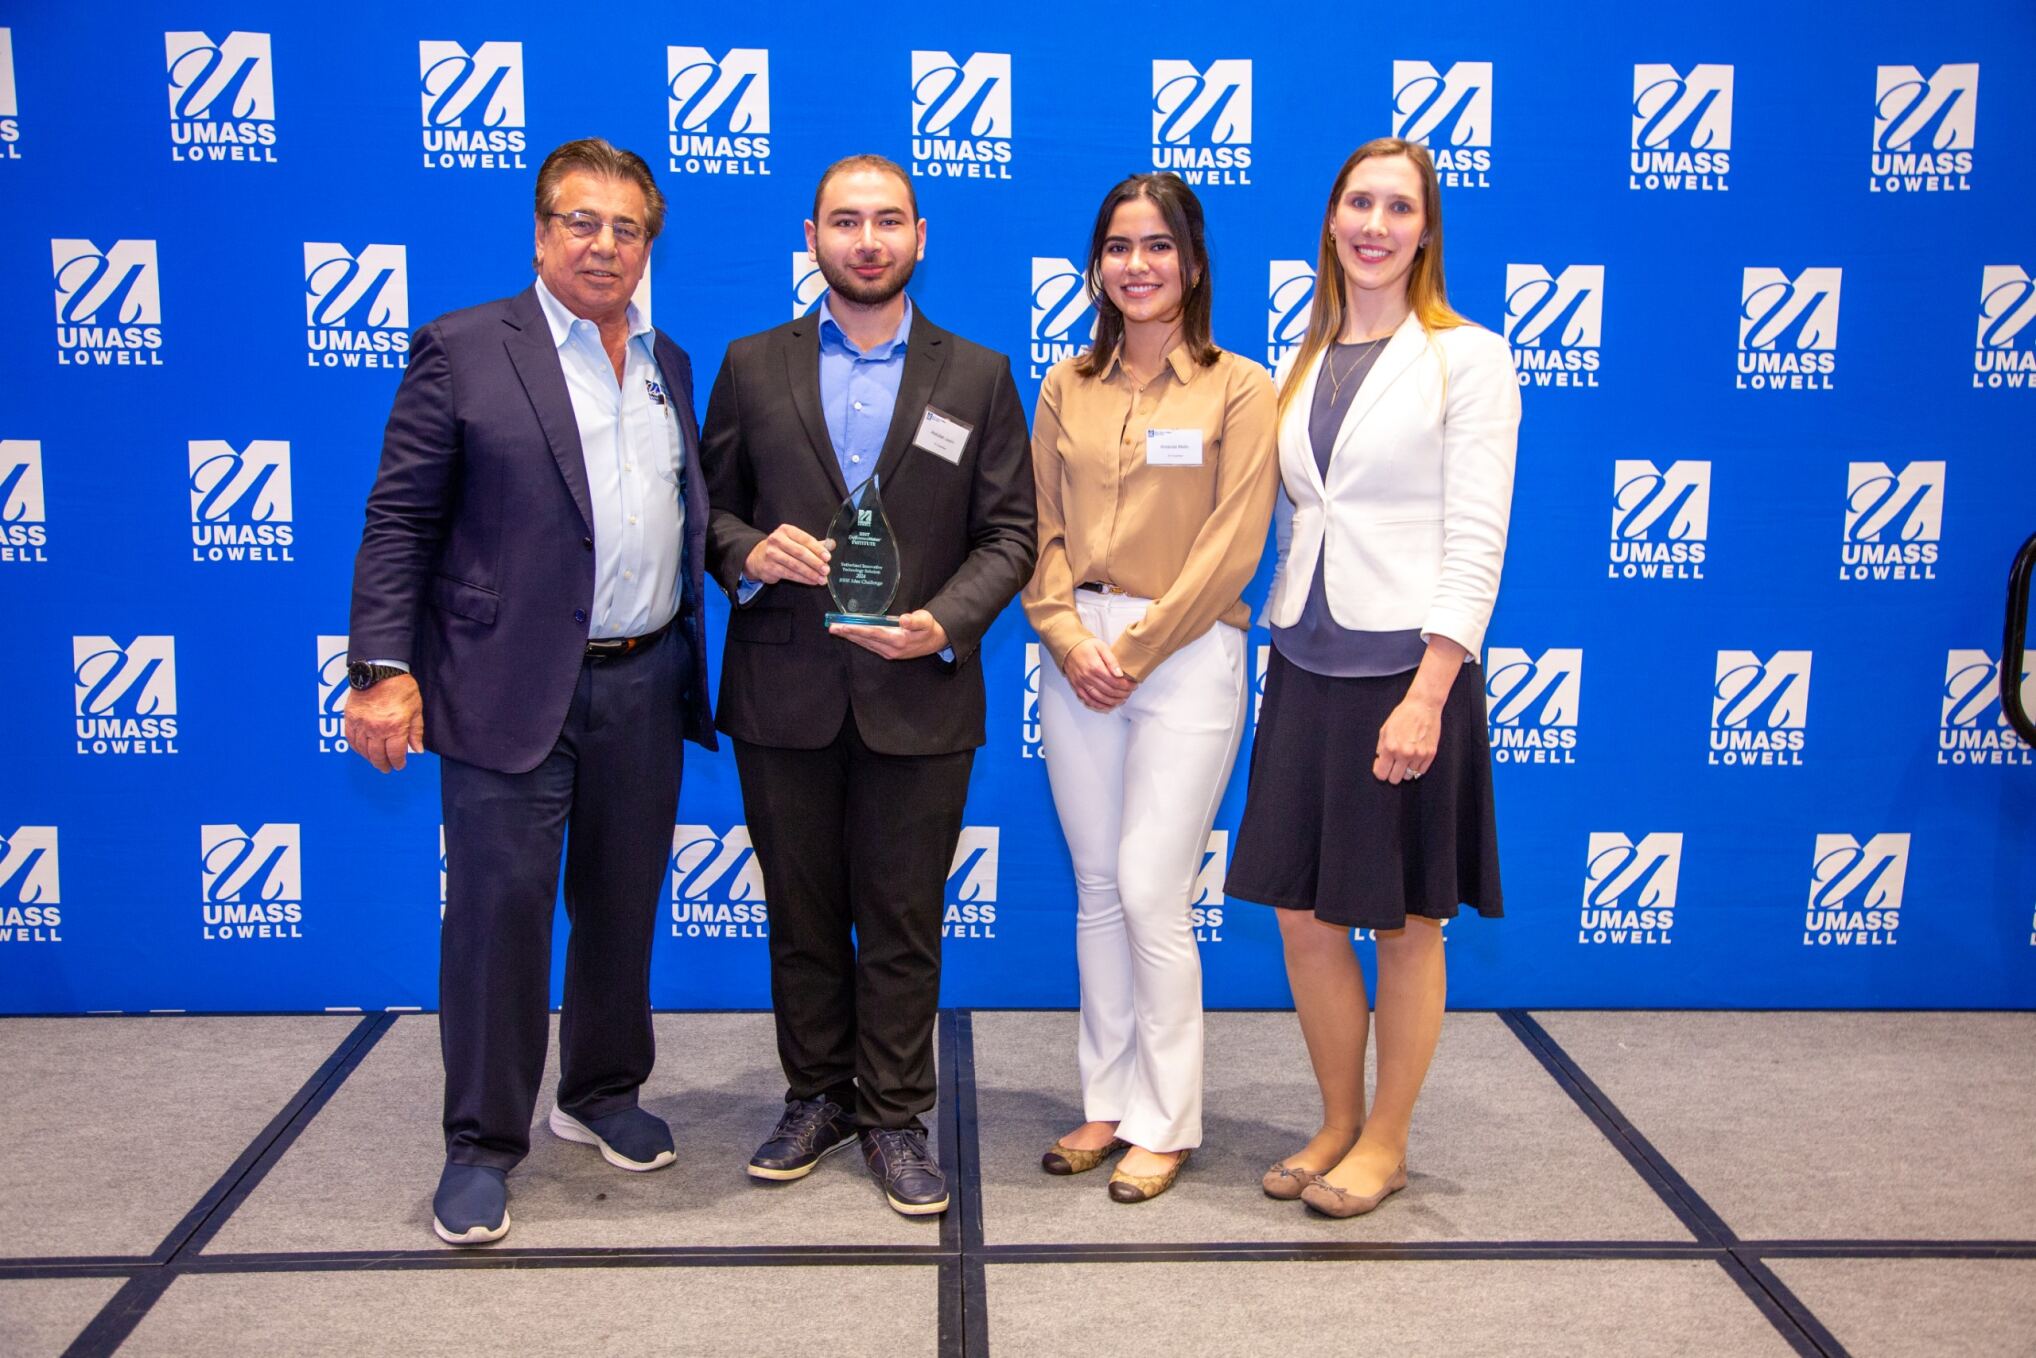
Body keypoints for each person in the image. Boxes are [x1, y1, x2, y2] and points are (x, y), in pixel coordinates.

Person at [344, 138, 715, 1246]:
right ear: (540, 232)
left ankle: (599, 1089)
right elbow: (398, 519)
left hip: (643, 676)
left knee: (620, 900)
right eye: (580, 222)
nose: (604, 245)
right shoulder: (462, 348)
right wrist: (379, 666)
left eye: (627, 228)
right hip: (506, 686)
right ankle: (480, 1141)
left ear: (649, 242)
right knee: (500, 918)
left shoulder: (669, 361)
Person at [699, 154, 1035, 1217]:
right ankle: (816, 1096)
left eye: (887, 220)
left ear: (920, 233)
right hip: (782, 689)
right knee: (800, 917)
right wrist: (745, 553)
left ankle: (892, 1113)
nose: (867, 240)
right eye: (845, 221)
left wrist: (948, 620)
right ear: (812, 237)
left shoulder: (976, 374)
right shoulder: (751, 365)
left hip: (920, 692)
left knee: (900, 919)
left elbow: (1011, 531)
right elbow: (705, 513)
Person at [1226, 137, 1520, 1218]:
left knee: (1404, 920)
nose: (1375, 224)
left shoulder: (1468, 356)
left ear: (1426, 228)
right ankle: (1336, 1117)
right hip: (1302, 653)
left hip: (1404, 665)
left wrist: (1429, 690)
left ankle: (1386, 1138)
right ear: (1331, 217)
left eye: (1399, 207)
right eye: (1358, 201)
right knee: (1302, 916)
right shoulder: (1300, 354)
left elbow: (1476, 532)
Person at [1021, 174, 1277, 1203]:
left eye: (1157, 245)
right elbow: (1035, 525)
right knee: (1093, 887)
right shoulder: (1063, 383)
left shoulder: (1240, 387)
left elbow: (1232, 545)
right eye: (1118, 245)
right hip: (1074, 643)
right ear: (1097, 265)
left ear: (1193, 262)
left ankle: (1166, 1118)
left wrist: (1133, 649)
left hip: (1186, 651)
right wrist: (1065, 631)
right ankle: (1107, 1100)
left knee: (1146, 886)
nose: (1137, 263)